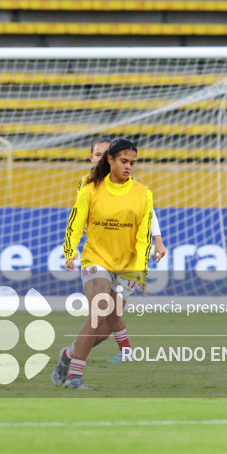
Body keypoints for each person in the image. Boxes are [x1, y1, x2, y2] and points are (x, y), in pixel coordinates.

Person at [53, 138, 153, 389]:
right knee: (98, 311)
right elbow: (75, 223)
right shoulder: (90, 189)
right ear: (110, 160)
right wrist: (70, 251)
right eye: (123, 161)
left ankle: (68, 355)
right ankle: (75, 376)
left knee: (105, 330)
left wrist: (142, 270)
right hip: (96, 259)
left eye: (132, 163)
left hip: (126, 267)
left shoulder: (143, 193)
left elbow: (144, 237)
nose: (128, 166)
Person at [78, 137, 166, 363]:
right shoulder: (87, 184)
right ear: (92, 158)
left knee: (106, 312)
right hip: (100, 252)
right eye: (98, 155)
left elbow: (147, 212)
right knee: (104, 308)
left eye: (104, 155)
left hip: (123, 254)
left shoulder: (129, 185)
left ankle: (78, 353)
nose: (101, 159)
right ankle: (119, 350)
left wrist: (157, 239)